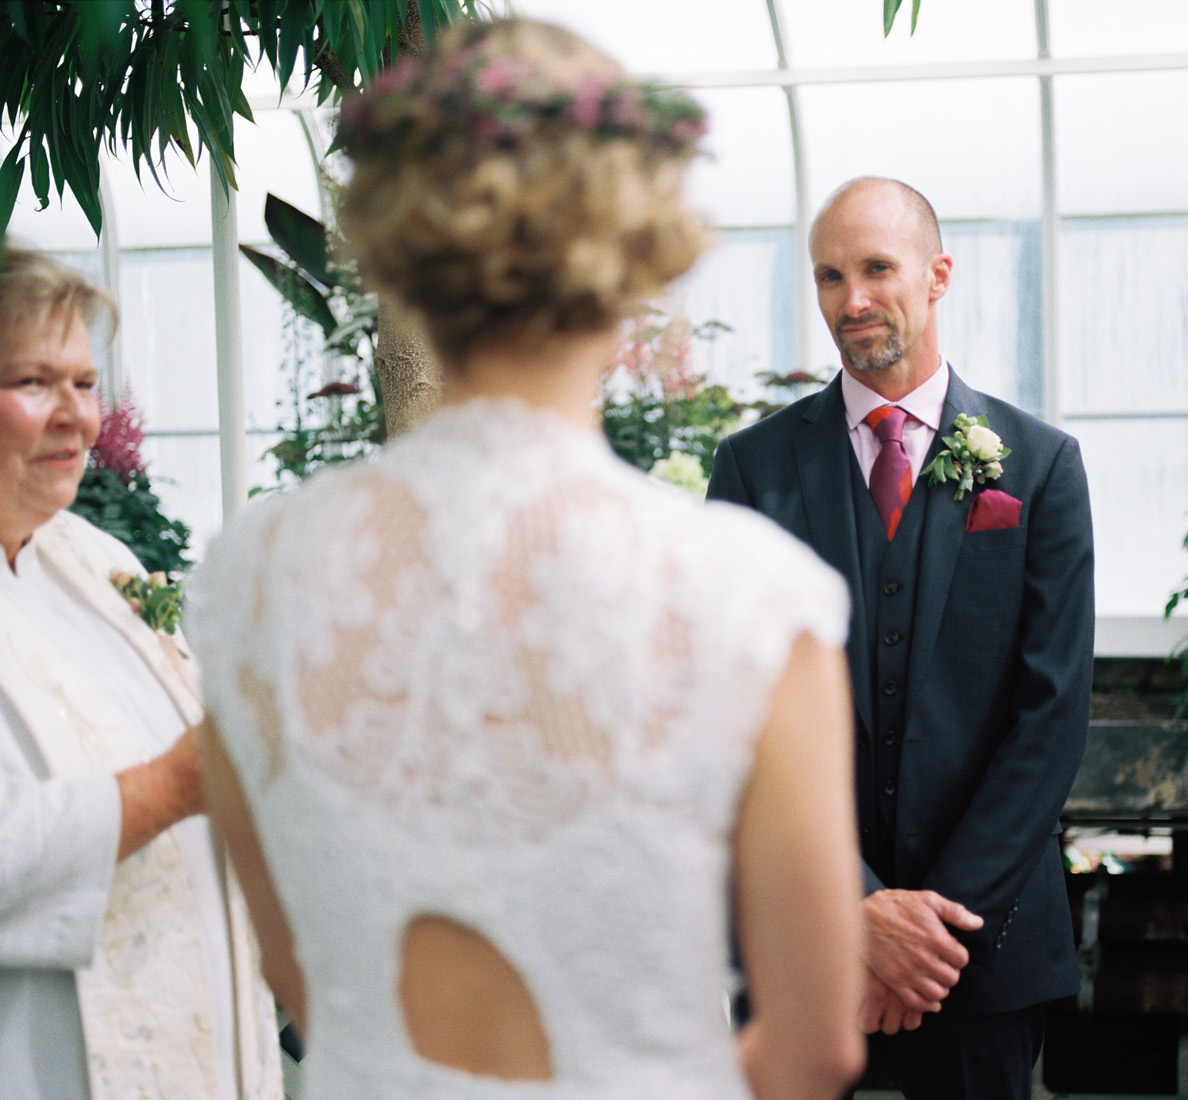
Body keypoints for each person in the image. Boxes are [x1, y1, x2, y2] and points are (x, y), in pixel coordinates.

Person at [186, 17, 866, 1100]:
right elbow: (816, 1043)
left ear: (399, 249)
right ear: (633, 256)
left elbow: (302, 979)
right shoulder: (748, 593)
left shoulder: (248, 577)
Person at [707, 176, 1094, 1100]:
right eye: (830, 276)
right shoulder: (753, 469)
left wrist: (931, 932)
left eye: (877, 269)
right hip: (801, 935)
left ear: (938, 275)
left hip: (984, 948)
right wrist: (853, 904)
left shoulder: (1040, 467)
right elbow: (728, 711)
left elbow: (1050, 721)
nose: (854, 300)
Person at [0, 247, 282, 1099]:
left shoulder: (97, 559)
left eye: (85, 384)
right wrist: (177, 783)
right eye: (34, 382)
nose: (76, 418)